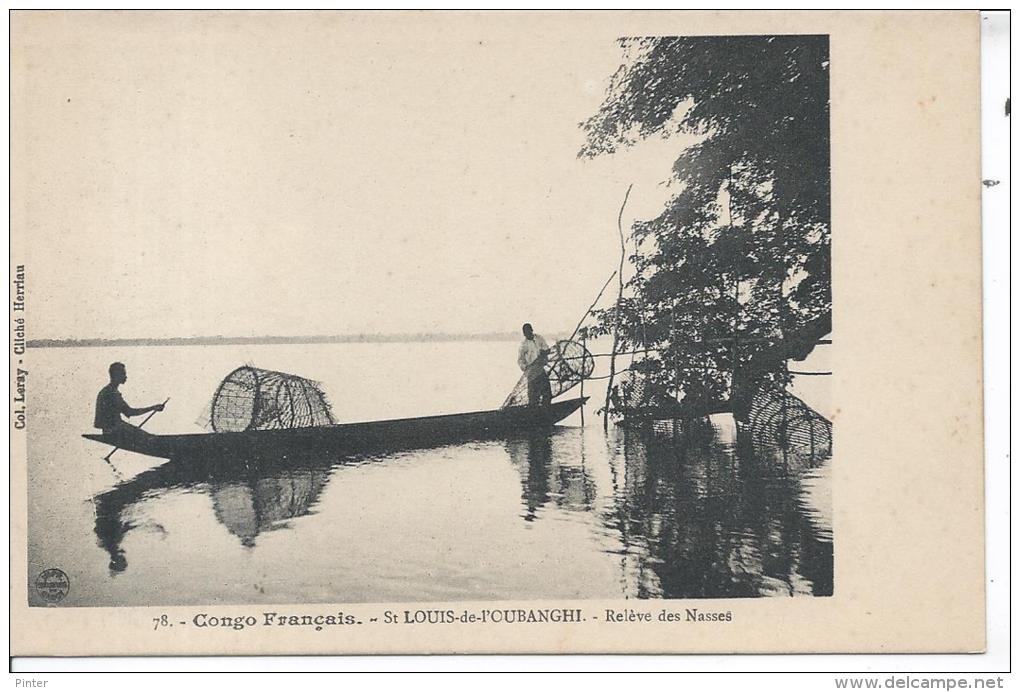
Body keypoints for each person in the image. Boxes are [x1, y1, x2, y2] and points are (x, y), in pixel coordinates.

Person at [94, 362, 165, 435]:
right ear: (116, 375)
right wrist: (153, 408)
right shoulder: (111, 392)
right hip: (114, 429)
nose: (126, 377)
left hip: (112, 428)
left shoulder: (109, 391)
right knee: (150, 438)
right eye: (123, 374)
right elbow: (129, 412)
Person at [517, 323, 552, 407]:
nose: (527, 334)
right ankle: (534, 411)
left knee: (547, 393)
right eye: (525, 333)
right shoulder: (523, 345)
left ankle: (545, 409)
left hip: (540, 369)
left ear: (532, 330)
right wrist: (526, 368)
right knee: (533, 397)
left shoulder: (539, 338)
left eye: (528, 332)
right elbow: (520, 360)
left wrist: (544, 352)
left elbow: (547, 349)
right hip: (531, 373)